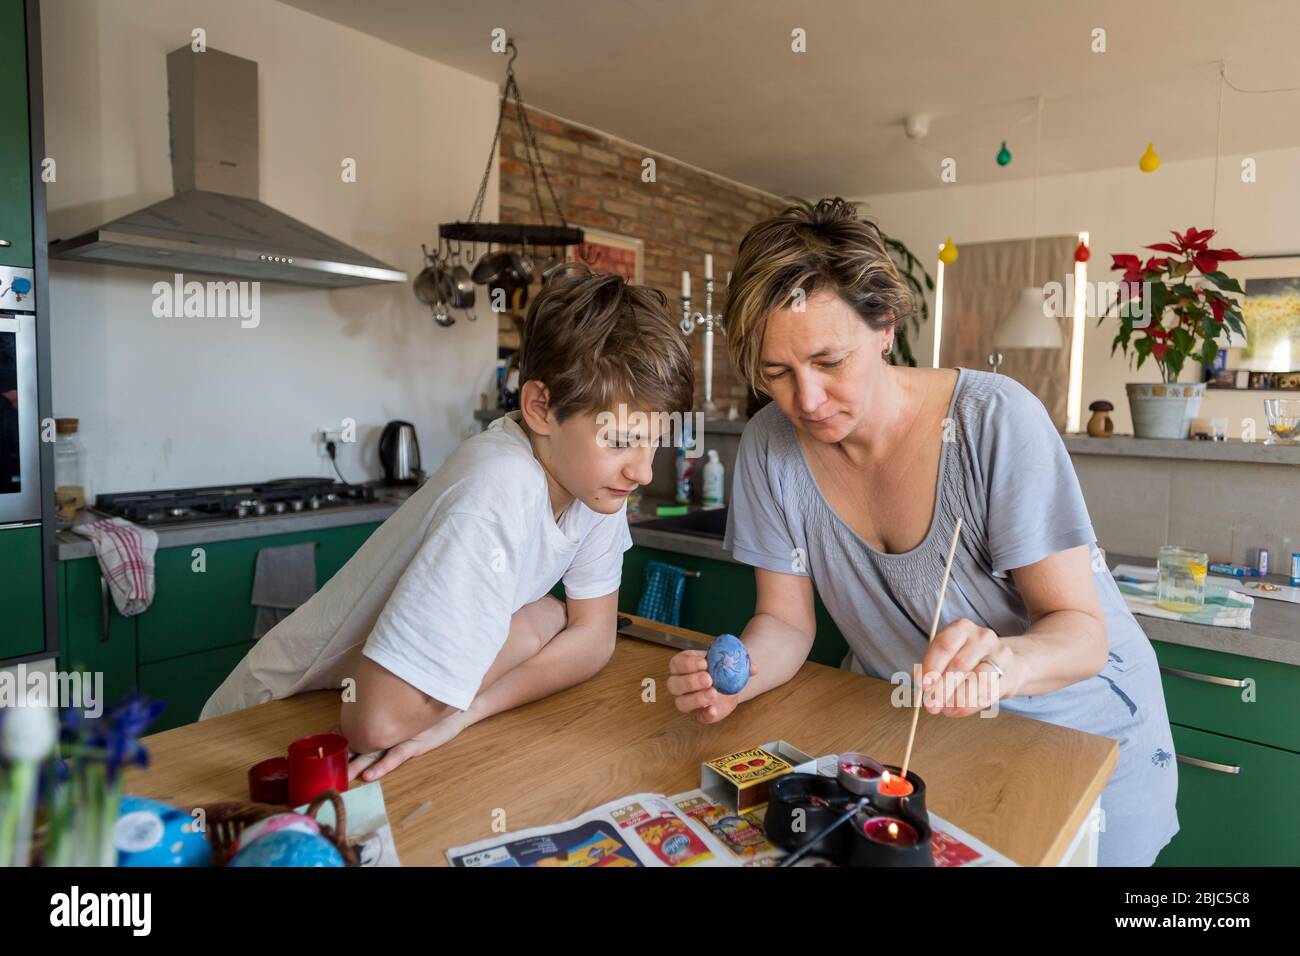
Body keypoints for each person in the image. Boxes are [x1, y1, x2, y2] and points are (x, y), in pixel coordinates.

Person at [666, 198, 1178, 866]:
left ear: (884, 324)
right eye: (776, 374)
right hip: (920, 744)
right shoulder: (768, 444)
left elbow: (1080, 634)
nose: (807, 401)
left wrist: (1003, 663)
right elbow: (786, 624)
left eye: (829, 361)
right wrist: (734, 677)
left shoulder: (996, 423)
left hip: (1081, 749)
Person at [202, 270, 694, 782]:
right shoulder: (498, 488)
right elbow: (377, 720)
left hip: (385, 732)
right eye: (619, 440)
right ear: (541, 408)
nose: (643, 471)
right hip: (268, 731)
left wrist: (466, 711)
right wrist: (536, 624)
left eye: (654, 438)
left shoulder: (595, 485)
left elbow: (593, 639)